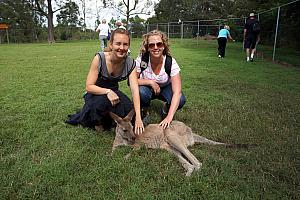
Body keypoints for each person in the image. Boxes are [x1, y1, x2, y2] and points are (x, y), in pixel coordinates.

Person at [66, 28, 144, 135]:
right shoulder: (100, 58)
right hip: (96, 92)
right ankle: (97, 122)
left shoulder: (131, 63)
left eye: (125, 44)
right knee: (100, 104)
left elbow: (135, 90)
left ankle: (108, 118)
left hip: (114, 92)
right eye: (118, 44)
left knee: (130, 110)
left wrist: (138, 117)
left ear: (128, 46)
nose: (121, 48)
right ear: (111, 45)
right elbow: (89, 86)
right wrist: (108, 92)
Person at [135, 30, 186, 129]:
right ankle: (145, 111)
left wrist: (169, 118)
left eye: (159, 44)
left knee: (181, 99)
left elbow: (177, 92)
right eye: (151, 45)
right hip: (148, 88)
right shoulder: (142, 60)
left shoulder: (170, 62)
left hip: (165, 88)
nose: (155, 47)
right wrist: (150, 82)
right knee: (141, 92)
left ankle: (166, 110)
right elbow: (131, 81)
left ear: (163, 46)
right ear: (147, 48)